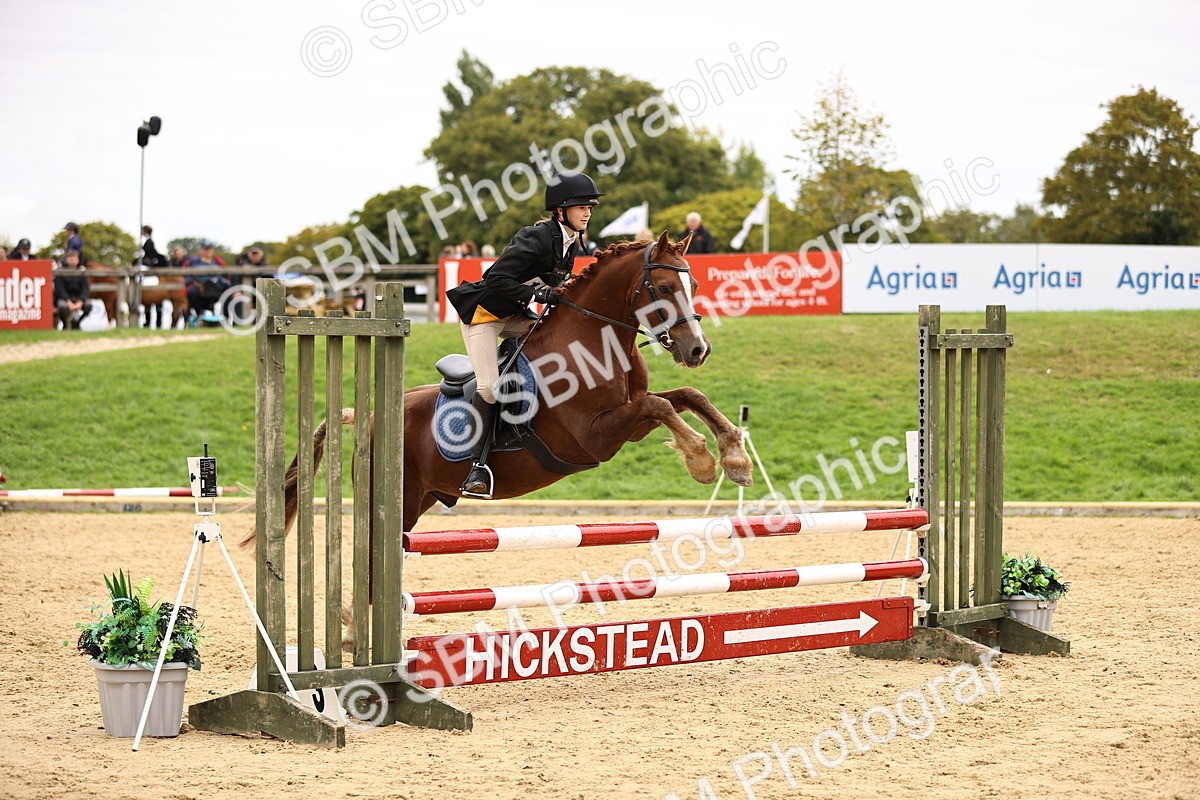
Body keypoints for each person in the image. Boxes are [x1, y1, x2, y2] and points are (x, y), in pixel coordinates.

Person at [445, 171, 602, 498]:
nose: (587, 211)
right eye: (580, 206)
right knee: (489, 386)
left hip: (516, 315)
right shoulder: (536, 237)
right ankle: (477, 466)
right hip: (485, 317)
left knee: (553, 339)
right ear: (561, 210)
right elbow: (495, 278)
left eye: (589, 206)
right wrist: (540, 296)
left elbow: (554, 282)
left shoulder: (571, 241)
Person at [184, 239, 230, 322]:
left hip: (216, 287)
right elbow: (188, 276)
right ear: (201, 250)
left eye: (209, 249)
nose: (207, 251)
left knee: (229, 290)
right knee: (191, 292)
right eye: (205, 249)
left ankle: (225, 316)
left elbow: (224, 275)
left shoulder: (218, 262)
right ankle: (200, 315)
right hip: (200, 288)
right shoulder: (194, 262)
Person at [54, 249, 91, 329]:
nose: (72, 260)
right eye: (70, 258)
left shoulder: (82, 272)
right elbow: (60, 290)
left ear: (78, 260)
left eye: (74, 258)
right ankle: (65, 324)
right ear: (66, 259)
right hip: (64, 298)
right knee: (62, 306)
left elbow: (85, 289)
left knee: (88, 305)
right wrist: (69, 302)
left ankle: (77, 323)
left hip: (78, 298)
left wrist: (80, 301)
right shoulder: (60, 272)